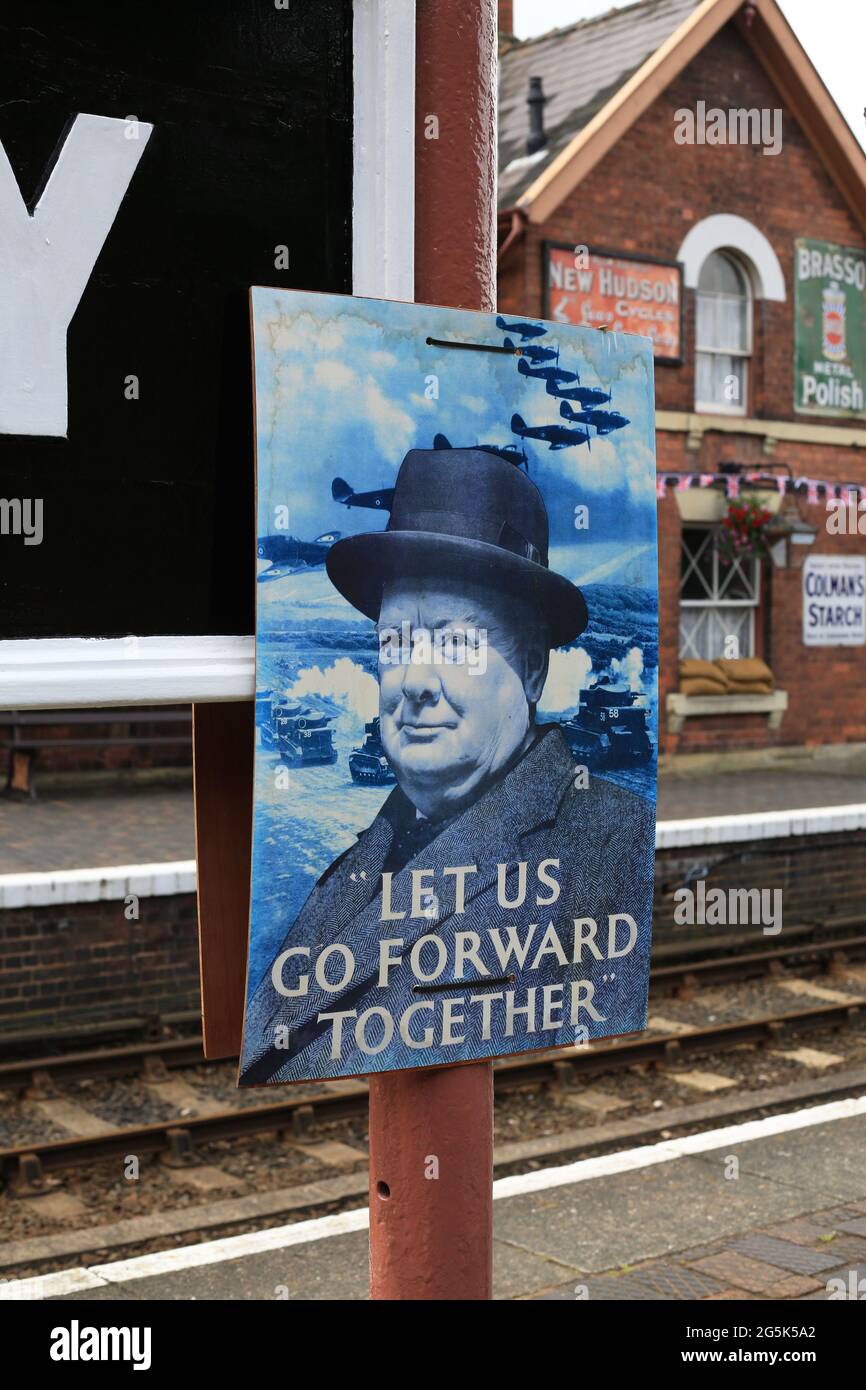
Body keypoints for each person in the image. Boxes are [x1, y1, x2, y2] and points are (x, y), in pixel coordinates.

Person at [240, 446, 654, 1083]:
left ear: (535, 671)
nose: (414, 682)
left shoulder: (612, 841)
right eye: (394, 642)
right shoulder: (362, 859)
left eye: (456, 643)